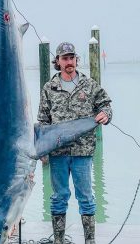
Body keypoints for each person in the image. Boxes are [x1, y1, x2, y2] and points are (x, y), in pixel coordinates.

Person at [37, 42, 112, 244]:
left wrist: (106, 114)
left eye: (72, 58)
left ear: (76, 60)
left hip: (83, 151)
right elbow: (43, 121)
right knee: (59, 197)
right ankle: (59, 241)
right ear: (58, 61)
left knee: (86, 198)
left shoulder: (89, 85)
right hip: (58, 153)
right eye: (65, 58)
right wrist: (42, 150)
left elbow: (105, 104)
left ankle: (90, 241)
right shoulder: (49, 88)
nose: (69, 62)